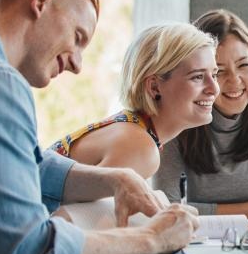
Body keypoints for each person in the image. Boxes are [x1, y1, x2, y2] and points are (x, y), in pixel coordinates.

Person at [0, 0, 199, 254]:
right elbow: (31, 253)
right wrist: (152, 238)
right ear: (41, 1)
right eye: (78, 37)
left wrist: (116, 179)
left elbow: (22, 166)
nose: (77, 64)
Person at [154, 9, 248, 218]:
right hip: (195, 239)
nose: (234, 81)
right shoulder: (178, 117)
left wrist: (201, 210)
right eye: (219, 71)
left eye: (244, 65)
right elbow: (166, 209)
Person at [49, 23, 220, 179]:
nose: (214, 89)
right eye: (197, 77)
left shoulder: (134, 129)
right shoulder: (139, 148)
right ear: (154, 87)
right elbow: (77, 212)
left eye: (214, 75)